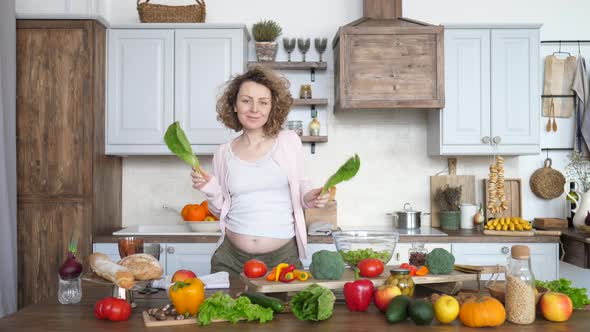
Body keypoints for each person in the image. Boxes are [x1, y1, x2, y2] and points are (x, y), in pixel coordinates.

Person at [191, 66, 329, 276]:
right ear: (234, 105)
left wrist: (310, 197)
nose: (254, 109)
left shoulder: (289, 141)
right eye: (246, 100)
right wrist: (210, 189)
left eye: (263, 102)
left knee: (285, 310)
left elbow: (302, 186)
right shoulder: (223, 153)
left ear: (272, 107)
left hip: (282, 259)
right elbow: (220, 211)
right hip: (230, 258)